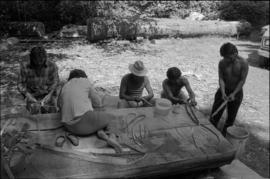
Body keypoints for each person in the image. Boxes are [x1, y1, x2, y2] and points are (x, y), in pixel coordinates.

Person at [58, 69, 123, 152]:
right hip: (84, 123)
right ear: (84, 76)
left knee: (93, 116)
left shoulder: (65, 86)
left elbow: (59, 105)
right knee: (113, 118)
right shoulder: (85, 81)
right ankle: (112, 137)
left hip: (68, 126)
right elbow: (98, 102)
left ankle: (101, 133)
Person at [210, 42, 249, 136]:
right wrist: (223, 92)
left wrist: (234, 93)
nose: (225, 59)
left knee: (231, 118)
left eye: (227, 57)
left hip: (237, 92)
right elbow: (221, 78)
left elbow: (242, 80)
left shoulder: (243, 63)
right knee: (215, 114)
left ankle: (224, 136)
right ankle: (210, 133)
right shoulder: (222, 63)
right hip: (223, 90)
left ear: (235, 54)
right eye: (224, 57)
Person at [18, 46, 59, 114]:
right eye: (36, 61)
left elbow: (55, 82)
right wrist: (28, 95)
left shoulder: (52, 66)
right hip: (32, 95)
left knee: (51, 117)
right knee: (34, 119)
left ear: (45, 58)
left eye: (41, 61)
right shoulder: (25, 67)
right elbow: (20, 84)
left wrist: (50, 94)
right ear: (31, 58)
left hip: (47, 94)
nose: (39, 63)